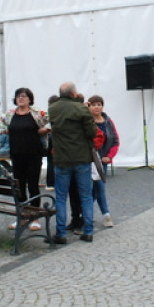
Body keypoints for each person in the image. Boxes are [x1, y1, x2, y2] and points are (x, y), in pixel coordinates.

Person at [0, 87, 51, 231]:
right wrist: (6, 130)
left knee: (33, 186)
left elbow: (51, 121)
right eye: (18, 96)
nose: (21, 98)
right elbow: (0, 122)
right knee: (19, 187)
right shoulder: (10, 114)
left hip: (33, 154)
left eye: (24, 96)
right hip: (16, 154)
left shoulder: (36, 113)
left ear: (29, 99)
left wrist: (44, 130)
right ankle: (21, 217)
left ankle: (35, 217)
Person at [49, 82, 97, 243]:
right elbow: (92, 132)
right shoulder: (81, 108)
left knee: (61, 197)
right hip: (81, 157)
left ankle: (61, 234)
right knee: (85, 196)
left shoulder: (53, 108)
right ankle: (88, 231)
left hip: (62, 159)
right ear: (73, 93)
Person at [87, 95, 119, 228]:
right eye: (93, 105)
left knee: (98, 188)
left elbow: (115, 140)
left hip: (103, 160)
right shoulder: (87, 122)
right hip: (89, 160)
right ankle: (104, 214)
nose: (96, 107)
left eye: (99, 104)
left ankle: (98, 214)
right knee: (94, 188)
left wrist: (110, 156)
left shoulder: (108, 122)